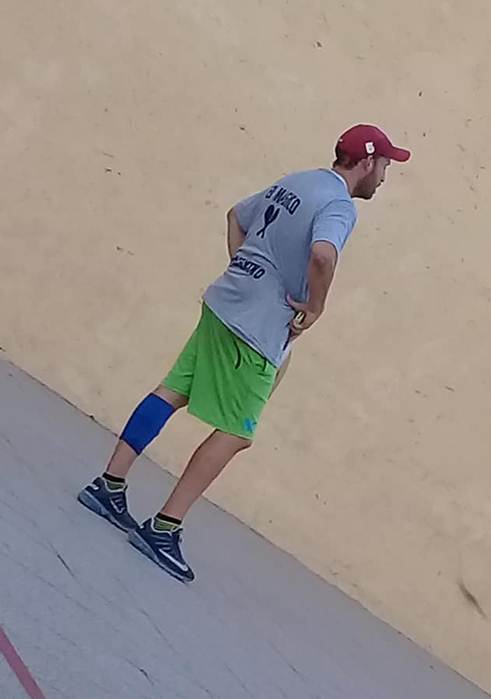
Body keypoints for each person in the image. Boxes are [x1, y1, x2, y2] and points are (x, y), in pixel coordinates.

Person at [77, 124, 411, 582]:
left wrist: (243, 266)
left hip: (225, 302)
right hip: (255, 329)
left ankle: (108, 486)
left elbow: (237, 215)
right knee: (237, 433)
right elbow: (322, 255)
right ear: (367, 162)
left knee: (172, 390)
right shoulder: (338, 204)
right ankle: (164, 527)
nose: (385, 176)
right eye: (385, 165)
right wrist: (316, 306)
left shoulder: (298, 181)